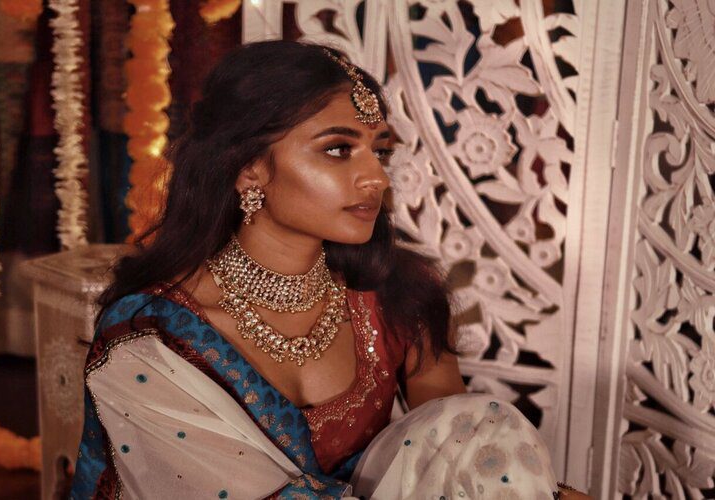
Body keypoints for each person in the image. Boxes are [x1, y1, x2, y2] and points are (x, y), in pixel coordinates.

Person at [70, 40, 586, 499]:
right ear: (248, 168)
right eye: (338, 150)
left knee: (480, 423)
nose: (376, 178)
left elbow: (463, 459)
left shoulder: (398, 298)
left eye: (379, 151)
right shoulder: (151, 338)